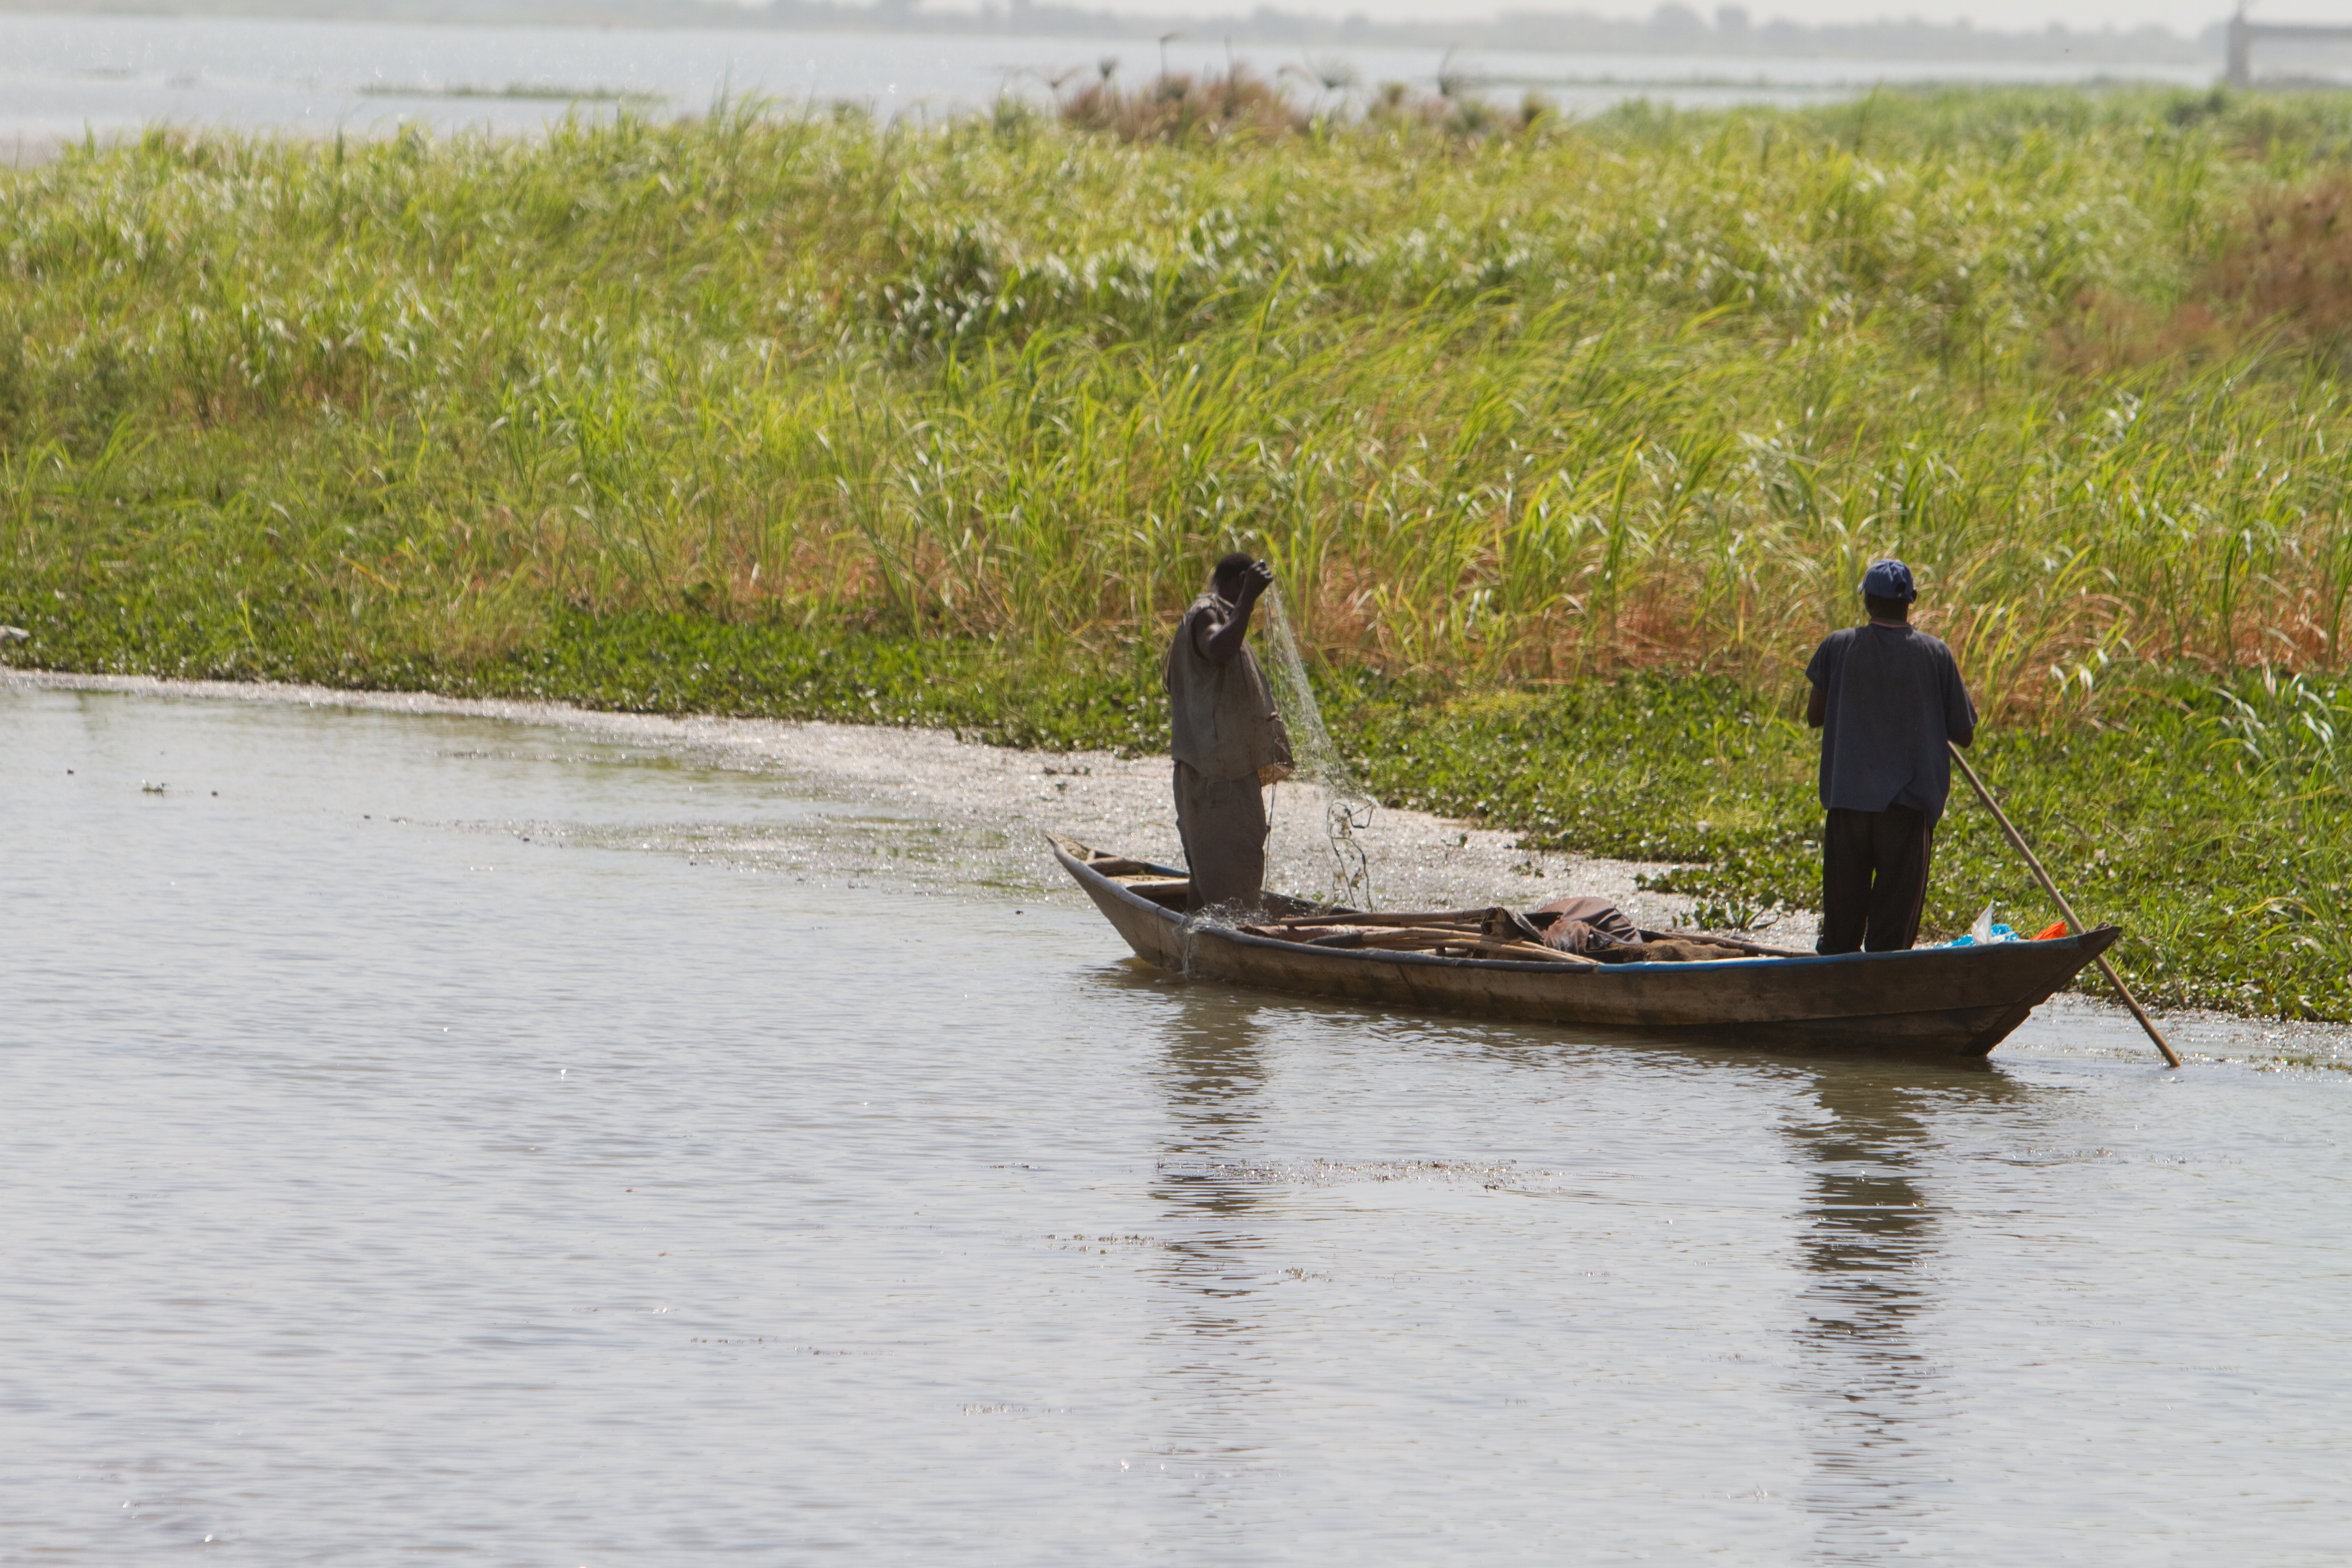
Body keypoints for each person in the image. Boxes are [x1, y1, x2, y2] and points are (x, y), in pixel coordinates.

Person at [1804, 559, 1977, 954]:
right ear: (1911, 601)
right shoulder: (1935, 654)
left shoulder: (1838, 646)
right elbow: (1964, 734)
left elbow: (1815, 716)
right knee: (1890, 939)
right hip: (1907, 808)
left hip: (1849, 804)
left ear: (1867, 601)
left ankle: (1837, 1000)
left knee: (1841, 932)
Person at [1164, 552, 1294, 912]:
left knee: (1212, 892)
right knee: (1233, 902)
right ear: (1240, 581)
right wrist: (1250, 599)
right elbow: (1219, 648)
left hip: (1219, 779)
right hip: (1215, 784)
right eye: (1247, 590)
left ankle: (1192, 960)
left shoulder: (1219, 615)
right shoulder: (1206, 613)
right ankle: (1226, 961)